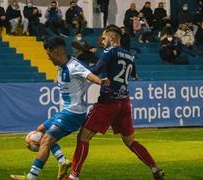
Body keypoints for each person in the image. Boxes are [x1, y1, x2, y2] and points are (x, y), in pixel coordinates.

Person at [66, 27, 164, 180]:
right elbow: (134, 75)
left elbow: (96, 70)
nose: (103, 42)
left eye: (104, 39)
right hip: (124, 103)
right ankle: (155, 168)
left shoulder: (109, 51)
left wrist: (80, 68)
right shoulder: (130, 55)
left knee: (83, 137)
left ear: (111, 38)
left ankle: (73, 177)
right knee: (130, 141)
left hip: (108, 102)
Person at [10, 37, 109, 180]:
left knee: (46, 141)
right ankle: (62, 161)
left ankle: (31, 177)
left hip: (73, 114)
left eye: (49, 54)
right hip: (65, 112)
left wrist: (101, 82)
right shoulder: (61, 67)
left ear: (56, 52)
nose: (48, 58)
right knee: (40, 131)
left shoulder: (73, 66)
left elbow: (89, 75)